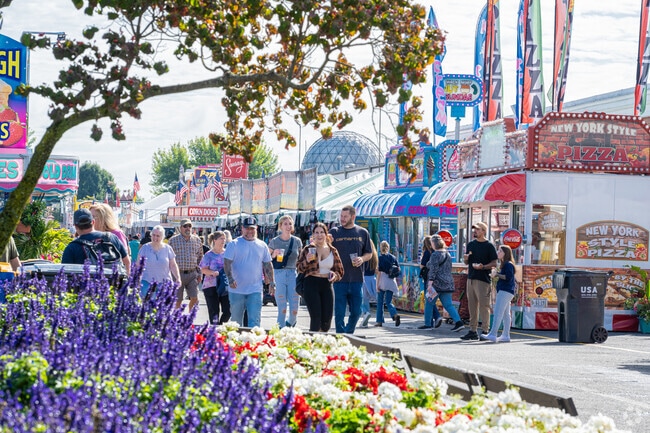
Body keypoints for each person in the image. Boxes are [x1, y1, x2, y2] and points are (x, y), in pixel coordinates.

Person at [223, 216, 274, 328]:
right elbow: (226, 263)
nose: (250, 231)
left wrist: (272, 282)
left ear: (256, 228)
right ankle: (236, 344)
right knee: (236, 322)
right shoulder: (234, 244)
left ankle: (253, 344)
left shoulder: (262, 245)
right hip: (237, 290)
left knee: (254, 321)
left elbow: (268, 264)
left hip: (255, 289)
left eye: (252, 229)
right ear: (242, 229)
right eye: (247, 228)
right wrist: (230, 279)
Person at [329, 205, 372, 334]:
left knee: (357, 311)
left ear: (353, 217)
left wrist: (362, 259)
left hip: (357, 278)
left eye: (345, 216)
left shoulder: (362, 232)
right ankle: (341, 337)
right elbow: (324, 249)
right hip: (339, 278)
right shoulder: (334, 232)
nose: (342, 219)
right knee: (339, 312)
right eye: (341, 216)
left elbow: (369, 253)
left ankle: (348, 333)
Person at [296, 222, 343, 332]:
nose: (319, 235)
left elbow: (340, 271)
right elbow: (299, 268)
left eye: (322, 232)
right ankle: (312, 344)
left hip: (326, 283)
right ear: (313, 235)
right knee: (316, 318)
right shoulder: (308, 249)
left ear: (326, 235)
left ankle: (321, 342)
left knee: (327, 320)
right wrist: (307, 260)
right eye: (316, 232)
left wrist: (334, 276)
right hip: (311, 283)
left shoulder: (333, 250)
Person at [461, 222, 498, 341]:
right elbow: (467, 262)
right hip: (471, 277)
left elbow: (494, 263)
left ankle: (485, 330)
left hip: (483, 279)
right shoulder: (471, 244)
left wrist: (483, 266)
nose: (474, 231)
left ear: (483, 231)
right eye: (474, 230)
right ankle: (472, 330)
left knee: (484, 305)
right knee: (472, 305)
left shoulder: (489, 246)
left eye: (477, 229)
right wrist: (466, 259)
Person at [61, 209, 130, 273]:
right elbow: (127, 262)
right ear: (93, 222)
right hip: (114, 284)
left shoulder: (72, 247)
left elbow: (66, 273)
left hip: (88, 285)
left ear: (75, 226)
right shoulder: (111, 237)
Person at [268, 215, 303, 328]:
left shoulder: (297, 241)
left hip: (293, 273)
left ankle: (289, 325)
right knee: (282, 309)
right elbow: (267, 259)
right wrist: (274, 254)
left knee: (294, 311)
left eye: (290, 224)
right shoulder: (274, 241)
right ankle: (280, 332)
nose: (288, 226)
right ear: (280, 226)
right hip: (279, 274)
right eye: (285, 224)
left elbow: (301, 258)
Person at [426, 234, 465, 332]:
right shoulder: (447, 254)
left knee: (429, 302)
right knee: (448, 305)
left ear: (434, 244)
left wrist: (430, 283)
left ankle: (427, 324)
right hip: (448, 282)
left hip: (437, 283)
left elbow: (433, 269)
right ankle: (458, 322)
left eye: (431, 243)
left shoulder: (435, 255)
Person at [481, 245, 516, 343]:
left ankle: (493, 334)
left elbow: (507, 277)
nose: (498, 252)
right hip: (508, 291)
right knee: (505, 314)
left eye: (500, 251)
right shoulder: (507, 264)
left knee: (498, 312)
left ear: (506, 253)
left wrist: (496, 274)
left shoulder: (508, 264)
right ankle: (505, 335)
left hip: (505, 290)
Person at [168, 218, 204, 311]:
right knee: (177, 300)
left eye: (189, 226)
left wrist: (200, 274)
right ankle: (177, 320)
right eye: (185, 226)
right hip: (177, 274)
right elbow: (168, 258)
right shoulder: (173, 240)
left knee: (195, 298)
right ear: (180, 228)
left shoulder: (197, 240)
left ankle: (189, 318)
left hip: (192, 274)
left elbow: (200, 257)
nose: (188, 228)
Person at [137, 225, 180, 296]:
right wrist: (137, 279)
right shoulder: (145, 248)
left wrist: (178, 278)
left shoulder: (168, 248)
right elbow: (138, 265)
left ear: (162, 237)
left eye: (158, 236)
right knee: (147, 306)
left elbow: (173, 265)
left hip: (164, 284)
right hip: (147, 283)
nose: (155, 238)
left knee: (164, 306)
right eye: (153, 235)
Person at [200, 231, 230, 325]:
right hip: (211, 286)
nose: (223, 241)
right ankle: (214, 331)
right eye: (221, 238)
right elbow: (203, 269)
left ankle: (220, 327)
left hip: (224, 285)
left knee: (228, 310)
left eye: (224, 238)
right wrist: (213, 273)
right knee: (214, 312)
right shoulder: (209, 255)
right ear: (215, 240)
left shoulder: (228, 253)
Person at [418, 236, 443, 329]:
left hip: (428, 278)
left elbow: (422, 265)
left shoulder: (427, 253)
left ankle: (434, 319)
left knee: (429, 299)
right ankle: (434, 319)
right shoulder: (437, 253)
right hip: (438, 279)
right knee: (432, 299)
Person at [375, 241, 401, 327]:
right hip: (391, 281)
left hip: (383, 280)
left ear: (380, 248)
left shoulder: (380, 258)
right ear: (388, 248)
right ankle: (394, 314)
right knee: (388, 301)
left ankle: (379, 321)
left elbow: (379, 272)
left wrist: (377, 285)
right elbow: (398, 269)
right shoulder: (393, 257)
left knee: (380, 302)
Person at [359, 239, 378, 328]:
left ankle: (366, 313)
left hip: (364, 279)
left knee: (364, 300)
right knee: (378, 299)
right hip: (373, 278)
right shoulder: (374, 256)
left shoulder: (364, 256)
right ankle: (380, 318)